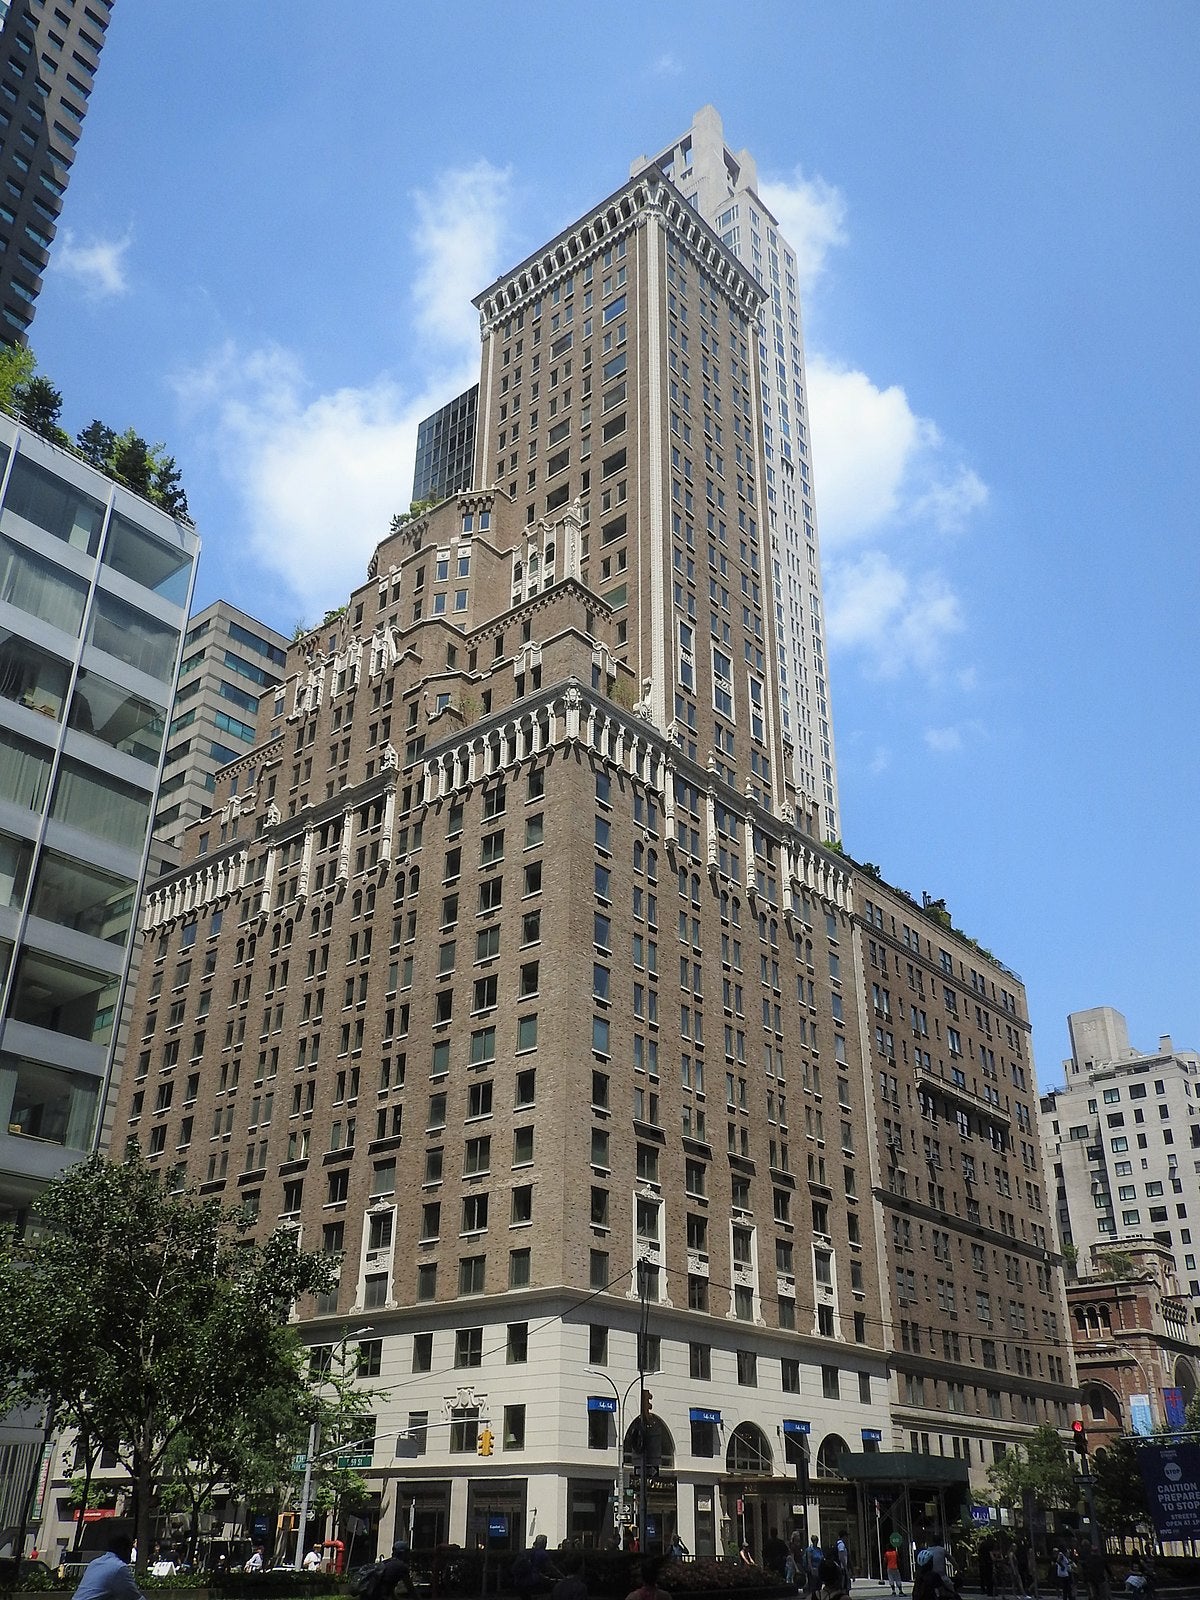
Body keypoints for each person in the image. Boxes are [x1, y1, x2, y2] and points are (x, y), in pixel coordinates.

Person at [72, 1536, 146, 1600]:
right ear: (125, 1550)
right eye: (130, 1551)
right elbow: (134, 1596)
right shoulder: (119, 1568)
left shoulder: (95, 1562)